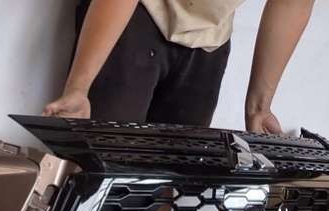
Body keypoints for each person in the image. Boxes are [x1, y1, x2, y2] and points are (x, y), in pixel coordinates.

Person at [43, 0, 315, 133]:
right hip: (138, 10)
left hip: (209, 37)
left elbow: (294, 2)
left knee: (171, 177)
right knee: (101, 161)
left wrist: (259, 107)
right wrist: (79, 86)